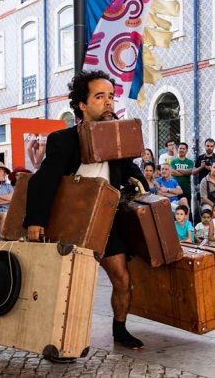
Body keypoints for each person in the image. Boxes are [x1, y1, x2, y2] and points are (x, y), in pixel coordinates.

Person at [24, 70, 148, 352]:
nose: (108, 103)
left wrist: (141, 181)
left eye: (111, 97)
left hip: (107, 221)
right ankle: (58, 339)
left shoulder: (117, 138)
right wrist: (35, 221)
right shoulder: (63, 140)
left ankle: (120, 330)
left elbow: (128, 168)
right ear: (82, 104)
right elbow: (43, 181)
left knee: (122, 278)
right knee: (68, 287)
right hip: (71, 223)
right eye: (99, 96)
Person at [170, 142, 200, 209]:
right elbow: (172, 172)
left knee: (187, 209)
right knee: (176, 209)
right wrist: (184, 172)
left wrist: (178, 169)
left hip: (186, 189)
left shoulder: (190, 162)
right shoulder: (173, 161)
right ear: (178, 150)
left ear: (186, 150)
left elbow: (189, 172)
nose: (182, 150)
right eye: (180, 148)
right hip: (175, 189)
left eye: (183, 149)